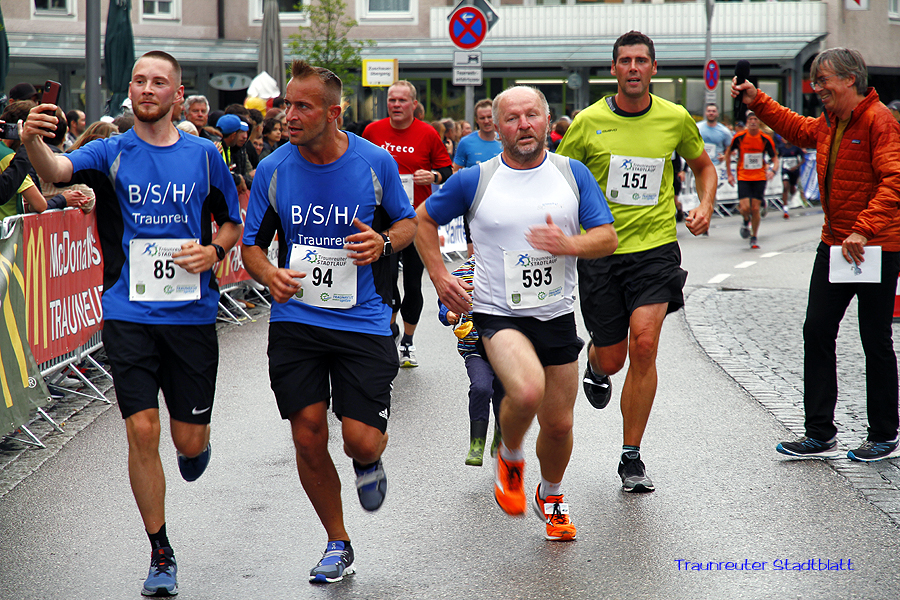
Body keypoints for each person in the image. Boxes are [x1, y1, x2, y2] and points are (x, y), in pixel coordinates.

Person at [21, 50, 242, 596]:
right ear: (131, 91)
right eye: (139, 80)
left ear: (177, 93)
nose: (147, 88)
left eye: (158, 81)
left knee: (187, 441)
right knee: (142, 429)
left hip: (190, 315)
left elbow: (231, 224)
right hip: (128, 312)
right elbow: (55, 171)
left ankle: (195, 447)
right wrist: (31, 139)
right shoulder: (110, 149)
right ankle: (160, 551)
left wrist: (213, 251)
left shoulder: (205, 155)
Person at [241, 60, 417, 583]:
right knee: (308, 434)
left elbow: (408, 223)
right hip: (296, 321)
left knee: (360, 440)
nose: (289, 115)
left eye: (303, 106)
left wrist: (383, 243)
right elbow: (252, 246)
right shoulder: (274, 168)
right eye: (287, 104)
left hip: (362, 320)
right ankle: (337, 542)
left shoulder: (374, 162)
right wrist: (269, 274)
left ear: (334, 113)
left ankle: (367, 460)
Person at [416, 85, 617, 541]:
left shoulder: (572, 174)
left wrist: (570, 244)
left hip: (556, 314)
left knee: (559, 424)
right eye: (512, 118)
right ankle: (509, 454)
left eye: (532, 115)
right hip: (498, 315)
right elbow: (424, 220)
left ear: (547, 121)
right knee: (525, 392)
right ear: (497, 126)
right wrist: (440, 277)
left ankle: (552, 495)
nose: (523, 124)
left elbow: (606, 237)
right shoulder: (476, 179)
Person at [557, 30, 717, 493]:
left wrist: (706, 204)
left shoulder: (675, 117)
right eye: (625, 60)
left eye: (641, 60)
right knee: (614, 356)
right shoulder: (588, 122)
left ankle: (631, 456)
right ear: (613, 69)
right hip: (602, 253)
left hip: (655, 250)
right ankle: (596, 363)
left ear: (653, 68)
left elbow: (703, 166)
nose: (633, 67)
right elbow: (557, 180)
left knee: (644, 345)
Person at [732, 47, 900, 462]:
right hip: (835, 244)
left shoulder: (879, 120)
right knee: (817, 330)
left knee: (874, 338)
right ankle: (820, 433)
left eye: (823, 80)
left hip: (876, 245)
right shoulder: (830, 121)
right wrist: (757, 100)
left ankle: (884, 434)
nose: (816, 88)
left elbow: (894, 180)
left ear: (849, 79)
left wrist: (863, 229)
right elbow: (796, 127)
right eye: (814, 81)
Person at [362, 80, 452, 367]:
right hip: (382, 219)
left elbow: (446, 169)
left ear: (414, 104)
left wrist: (433, 177)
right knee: (386, 280)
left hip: (415, 219)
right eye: (392, 100)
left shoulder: (427, 133)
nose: (396, 105)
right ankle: (390, 332)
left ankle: (408, 342)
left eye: (402, 100)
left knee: (413, 284)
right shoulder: (372, 131)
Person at [436, 255, 504, 466]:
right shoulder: (461, 273)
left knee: (504, 396)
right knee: (481, 388)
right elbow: (445, 301)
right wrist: (448, 313)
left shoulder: (510, 268)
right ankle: (477, 443)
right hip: (474, 348)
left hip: (507, 349)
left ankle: (501, 437)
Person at [725, 111, 778, 249]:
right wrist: (729, 174)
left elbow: (775, 158)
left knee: (755, 208)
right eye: (750, 120)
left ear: (759, 122)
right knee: (744, 208)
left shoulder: (765, 139)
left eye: (755, 119)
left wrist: (773, 171)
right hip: (743, 176)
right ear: (747, 122)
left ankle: (754, 237)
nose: (753, 122)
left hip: (759, 177)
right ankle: (745, 220)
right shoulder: (739, 137)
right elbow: (728, 153)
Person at [452, 98, 501, 172]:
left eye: (489, 117)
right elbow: (455, 171)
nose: (486, 121)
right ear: (477, 120)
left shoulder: (505, 141)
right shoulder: (465, 142)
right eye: (482, 118)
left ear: (495, 117)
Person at [777, 136, 805, 216]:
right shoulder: (781, 148)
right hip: (785, 169)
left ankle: (790, 196)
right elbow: (777, 157)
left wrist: (796, 167)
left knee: (792, 189)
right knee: (785, 186)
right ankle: (785, 208)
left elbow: (803, 159)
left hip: (794, 170)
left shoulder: (796, 148)